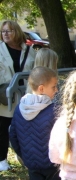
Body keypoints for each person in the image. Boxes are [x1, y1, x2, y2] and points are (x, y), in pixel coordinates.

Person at [9, 66, 60, 179]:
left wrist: (24, 157)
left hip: (31, 163)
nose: (56, 90)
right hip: (54, 165)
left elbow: (13, 136)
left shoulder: (19, 108)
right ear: (41, 88)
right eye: (53, 87)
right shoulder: (55, 111)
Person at [0, 20, 36, 171]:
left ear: (17, 32)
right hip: (4, 95)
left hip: (25, 95)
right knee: (2, 128)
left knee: (25, 128)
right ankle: (2, 160)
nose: (6, 34)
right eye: (3, 31)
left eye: (9, 31)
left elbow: (35, 70)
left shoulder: (29, 50)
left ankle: (25, 157)